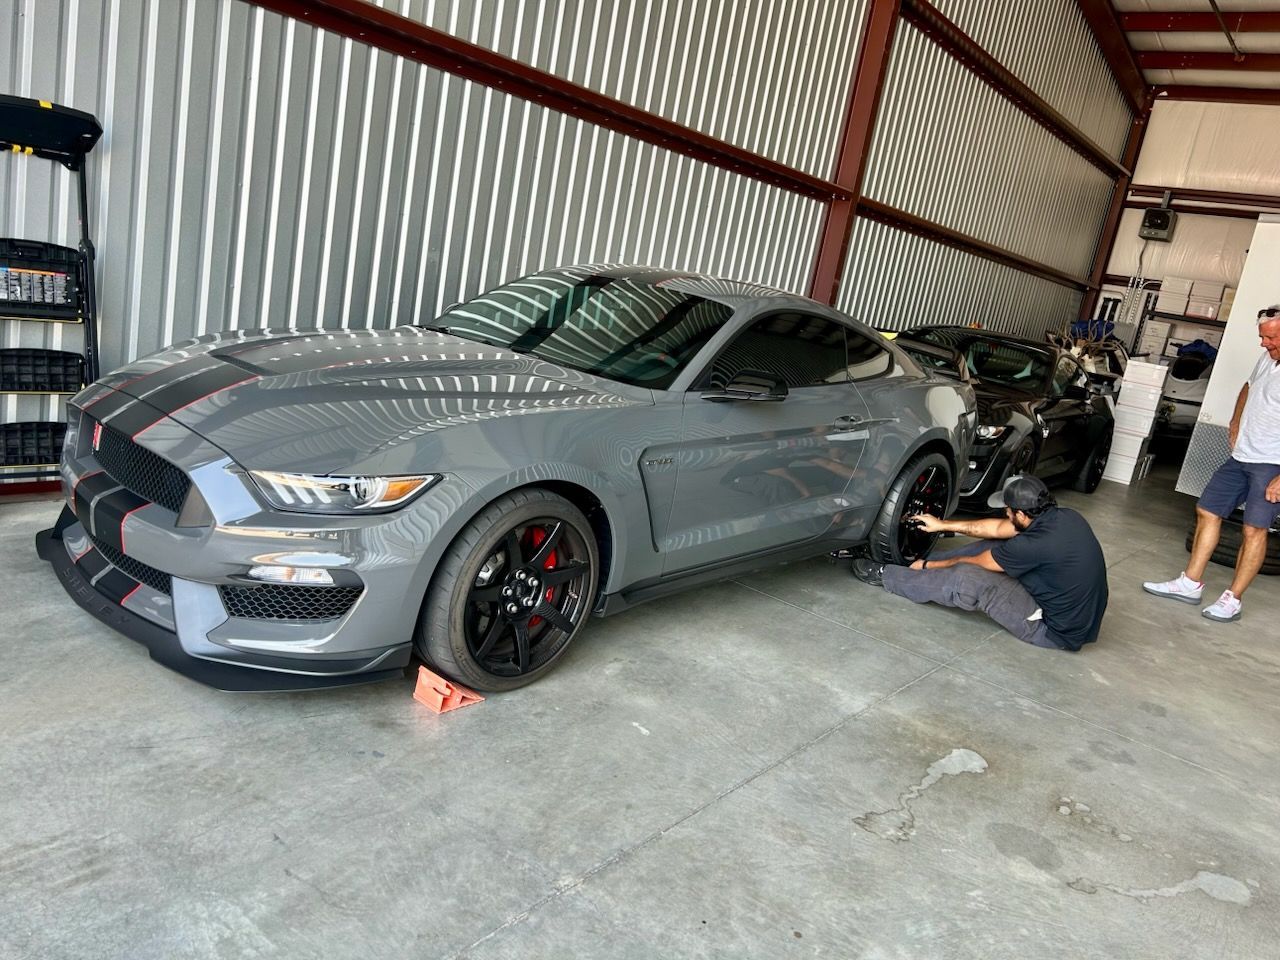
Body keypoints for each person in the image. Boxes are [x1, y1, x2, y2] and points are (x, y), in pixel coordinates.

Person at [851, 474, 1108, 651]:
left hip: (1051, 630)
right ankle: (912, 566)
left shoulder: (1031, 544)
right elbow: (995, 529)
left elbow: (975, 562)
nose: (1004, 513)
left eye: (1007, 509)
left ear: (1020, 513)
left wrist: (932, 567)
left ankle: (887, 575)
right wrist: (942, 525)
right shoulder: (1063, 517)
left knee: (968, 579)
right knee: (994, 546)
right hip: (1073, 616)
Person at [1144, 306, 1280, 622]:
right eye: (1262, 337)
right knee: (1207, 510)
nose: (1263, 343)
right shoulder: (1267, 360)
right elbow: (1249, 386)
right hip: (1242, 455)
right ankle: (1190, 583)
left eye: (1270, 337)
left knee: (1254, 531)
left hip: (1271, 463)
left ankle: (1233, 599)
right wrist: (1235, 421)